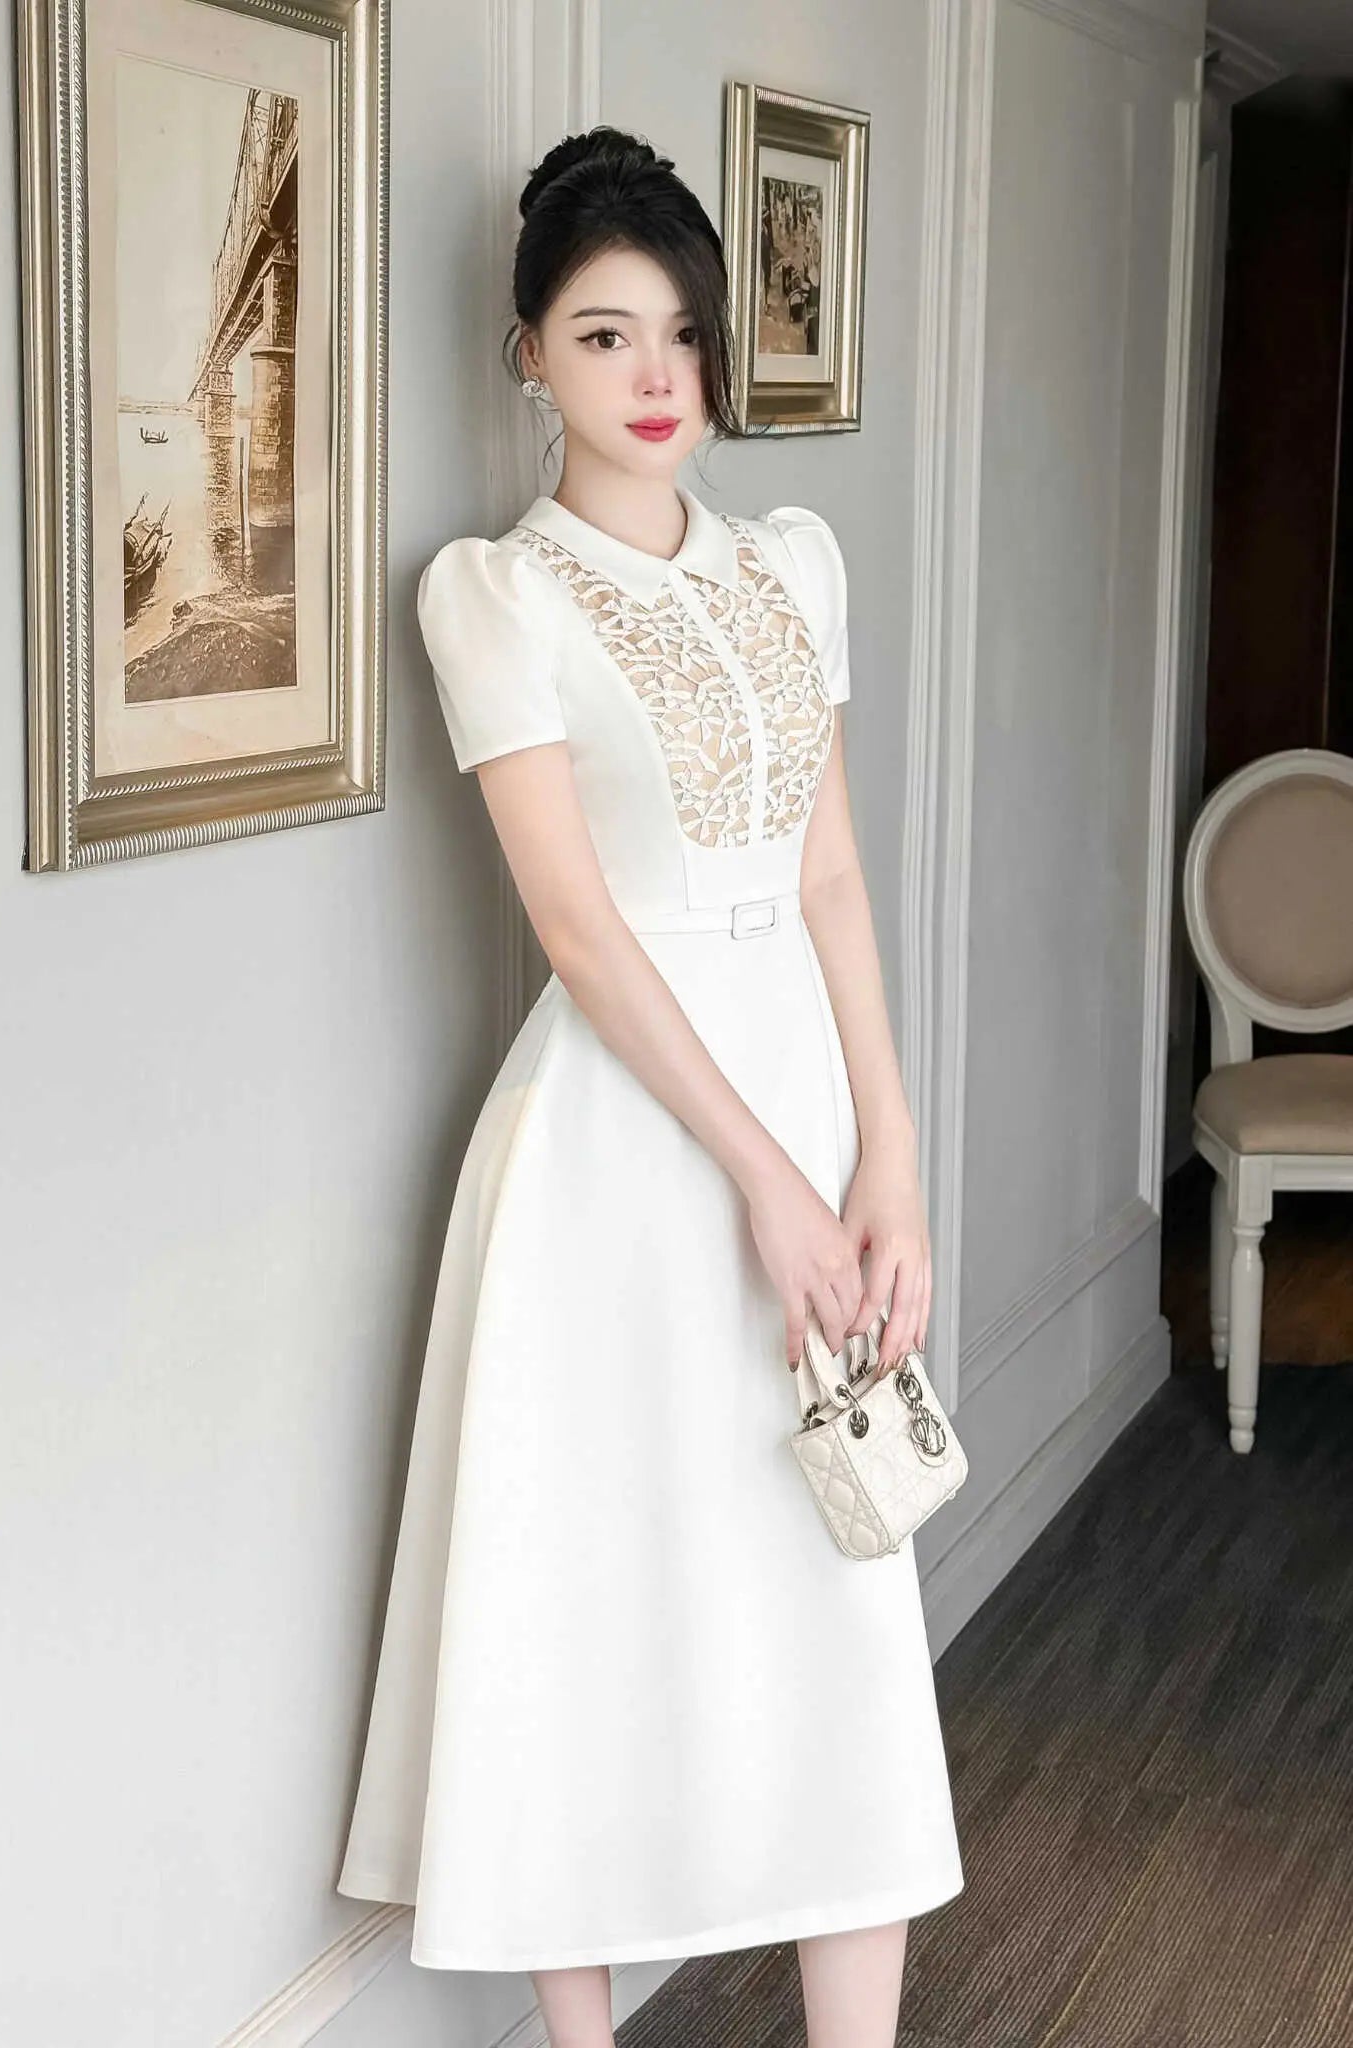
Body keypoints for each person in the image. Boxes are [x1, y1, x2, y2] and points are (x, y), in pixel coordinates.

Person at [335, 124, 964, 2048]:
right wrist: (770, 1183)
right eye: (606, 337)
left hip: (801, 1098)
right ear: (527, 354)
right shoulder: (493, 599)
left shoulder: (794, 566)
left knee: (841, 1594)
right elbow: (583, 934)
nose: (660, 379)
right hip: (616, 1154)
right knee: (585, 1592)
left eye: (683, 335)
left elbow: (835, 875)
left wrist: (891, 1161)